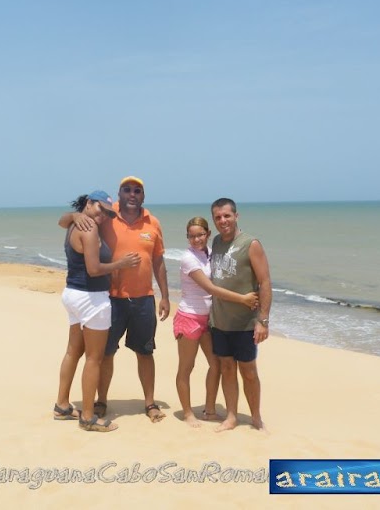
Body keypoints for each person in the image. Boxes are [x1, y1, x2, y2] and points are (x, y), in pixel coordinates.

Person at [59, 177, 171, 423]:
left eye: (137, 190)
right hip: (111, 298)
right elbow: (66, 222)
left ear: (143, 196)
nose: (132, 194)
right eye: (127, 190)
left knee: (145, 352)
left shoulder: (153, 223)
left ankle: (150, 403)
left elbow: (158, 261)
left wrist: (165, 296)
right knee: (105, 354)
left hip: (143, 299)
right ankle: (100, 402)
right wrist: (74, 216)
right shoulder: (108, 217)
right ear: (119, 194)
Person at [54, 190, 141, 432]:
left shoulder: (76, 224)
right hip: (91, 298)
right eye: (100, 210)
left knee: (73, 351)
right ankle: (88, 417)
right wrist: (120, 265)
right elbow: (93, 269)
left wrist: (72, 215)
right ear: (89, 204)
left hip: (73, 293)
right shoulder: (89, 227)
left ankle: (62, 405)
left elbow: (62, 220)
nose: (103, 216)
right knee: (94, 358)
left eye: (107, 213)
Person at [175, 216, 259, 428]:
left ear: (208, 235)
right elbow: (211, 289)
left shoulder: (210, 254)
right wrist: (243, 299)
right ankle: (187, 413)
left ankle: (210, 410)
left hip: (210, 318)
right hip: (189, 316)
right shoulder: (189, 259)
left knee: (216, 365)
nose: (196, 240)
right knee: (187, 367)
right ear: (187, 237)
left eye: (200, 235)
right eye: (192, 236)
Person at [209, 198, 272, 432]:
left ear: (236, 216)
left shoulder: (250, 244)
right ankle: (232, 416)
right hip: (220, 320)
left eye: (227, 216)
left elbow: (265, 282)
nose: (223, 221)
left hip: (245, 322)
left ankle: (256, 417)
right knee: (226, 368)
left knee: (248, 371)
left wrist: (263, 320)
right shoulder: (215, 242)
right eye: (218, 217)